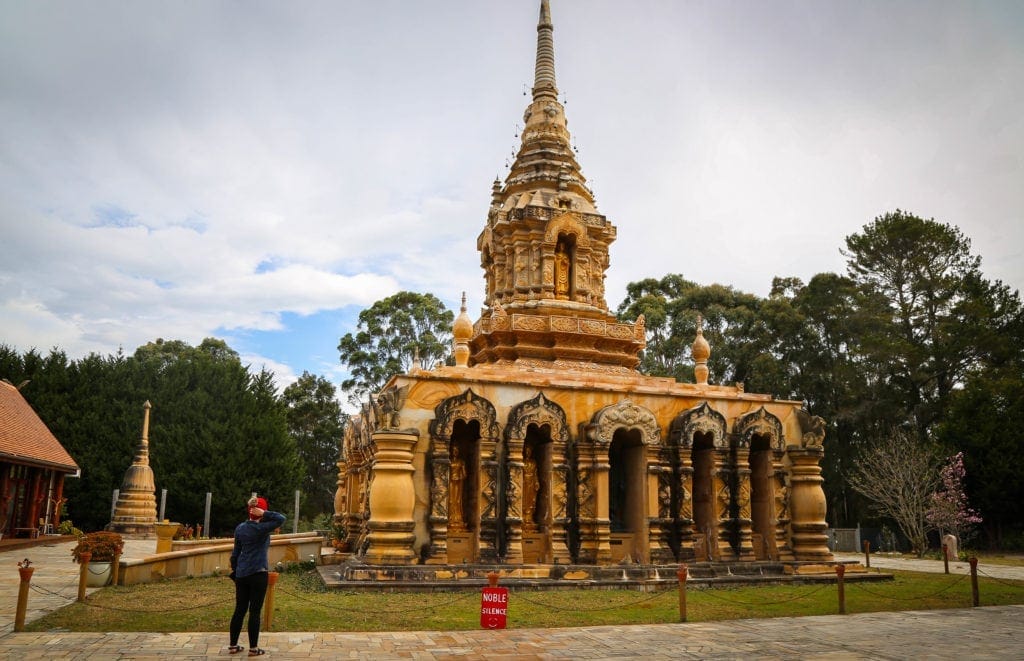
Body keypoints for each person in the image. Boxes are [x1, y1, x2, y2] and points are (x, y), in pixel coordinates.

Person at [228, 496, 285, 656]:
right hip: (258, 573)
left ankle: (233, 645)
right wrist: (265, 513)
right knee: (254, 611)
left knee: (239, 610)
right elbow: (281, 518)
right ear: (260, 511)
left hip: (242, 574)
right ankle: (253, 648)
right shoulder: (262, 528)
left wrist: (236, 570)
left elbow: (235, 554)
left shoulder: (240, 528)